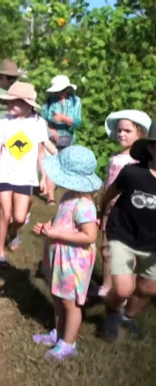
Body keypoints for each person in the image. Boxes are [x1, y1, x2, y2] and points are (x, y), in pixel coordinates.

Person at [32, 145, 101, 360]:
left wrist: (57, 234)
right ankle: (59, 332)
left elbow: (89, 236)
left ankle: (68, 344)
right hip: (60, 256)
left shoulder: (85, 205)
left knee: (70, 303)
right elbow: (60, 220)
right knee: (58, 297)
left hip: (75, 260)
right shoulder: (68, 197)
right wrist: (48, 225)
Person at [100, 120, 156, 343]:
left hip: (152, 243)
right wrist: (101, 215)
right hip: (122, 234)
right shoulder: (133, 173)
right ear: (151, 148)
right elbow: (110, 193)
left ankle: (128, 317)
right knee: (122, 289)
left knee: (149, 287)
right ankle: (113, 311)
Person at [0, 82, 48, 267]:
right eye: (9, 102)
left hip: (25, 176)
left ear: (28, 105)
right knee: (5, 213)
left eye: (15, 102)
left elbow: (41, 152)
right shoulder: (3, 123)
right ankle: (0, 253)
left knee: (19, 218)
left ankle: (14, 231)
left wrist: (44, 176)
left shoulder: (38, 124)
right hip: (4, 174)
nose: (10, 106)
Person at [96, 110, 151, 297]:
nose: (121, 134)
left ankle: (123, 288)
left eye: (127, 131)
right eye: (119, 130)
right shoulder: (115, 159)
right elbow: (109, 186)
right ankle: (106, 284)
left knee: (125, 254)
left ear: (140, 134)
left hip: (125, 215)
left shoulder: (137, 164)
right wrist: (101, 207)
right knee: (105, 250)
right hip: (109, 210)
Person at [40, 75, 83, 205]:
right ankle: (51, 197)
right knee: (51, 165)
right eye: (57, 91)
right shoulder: (49, 101)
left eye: (61, 91)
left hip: (68, 138)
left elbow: (77, 121)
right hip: (52, 138)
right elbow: (43, 119)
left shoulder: (76, 101)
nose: (59, 94)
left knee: (66, 166)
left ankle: (69, 195)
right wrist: (51, 129)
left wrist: (63, 118)